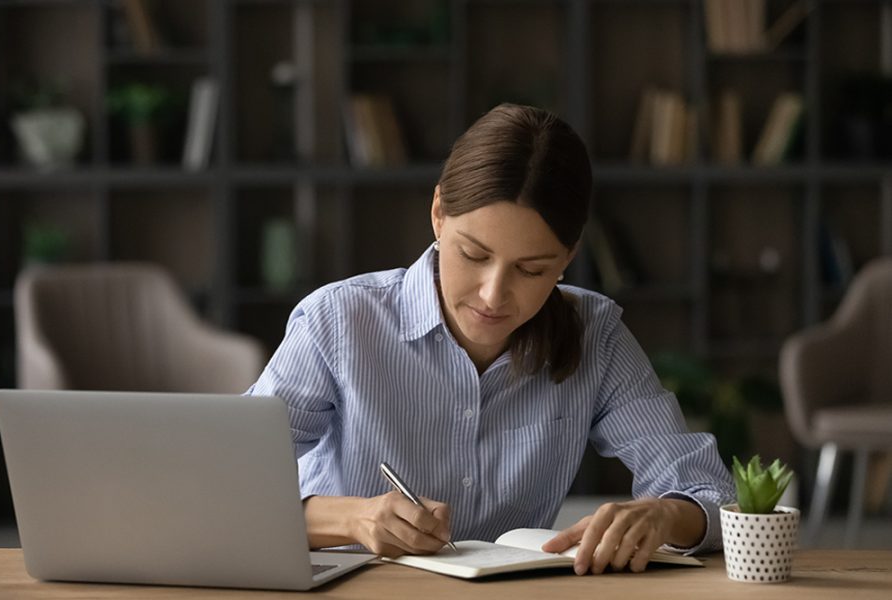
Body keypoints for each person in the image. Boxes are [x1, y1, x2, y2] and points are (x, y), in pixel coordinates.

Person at [246, 103, 735, 575]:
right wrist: (349, 518)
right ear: (438, 213)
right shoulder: (338, 321)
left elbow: (708, 490)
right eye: (474, 255)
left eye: (531, 269)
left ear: (568, 256)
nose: (493, 295)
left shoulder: (595, 334)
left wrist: (664, 515)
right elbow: (220, 487)